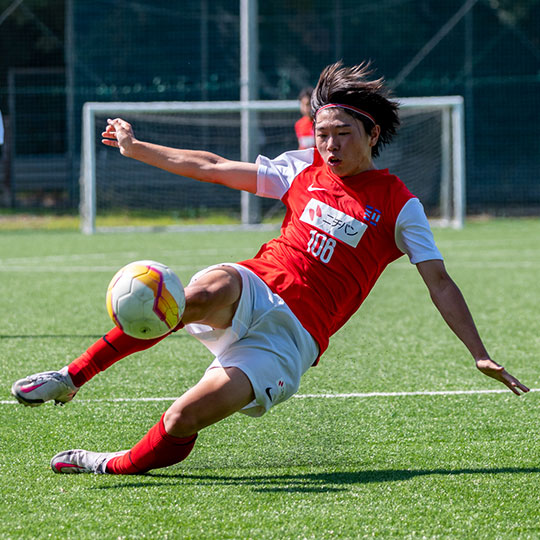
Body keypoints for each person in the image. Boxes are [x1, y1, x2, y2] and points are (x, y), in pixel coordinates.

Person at [11, 61, 529, 475]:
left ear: (371, 134)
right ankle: (71, 376)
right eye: (323, 134)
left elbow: (439, 281)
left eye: (343, 134)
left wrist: (478, 353)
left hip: (292, 339)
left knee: (182, 418)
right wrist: (135, 147)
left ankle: (112, 463)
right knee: (199, 291)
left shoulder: (399, 205)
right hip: (256, 284)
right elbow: (211, 167)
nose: (329, 146)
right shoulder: (301, 168)